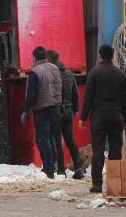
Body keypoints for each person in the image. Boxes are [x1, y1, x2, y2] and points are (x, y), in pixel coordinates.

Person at [79, 43, 126, 193]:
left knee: (98, 150)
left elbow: (88, 97)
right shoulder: (120, 74)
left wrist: (83, 117)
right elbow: (125, 100)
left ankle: (97, 184)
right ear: (112, 56)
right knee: (115, 150)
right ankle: (114, 184)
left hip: (99, 118)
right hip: (116, 117)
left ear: (100, 55)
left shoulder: (94, 73)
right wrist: (125, 119)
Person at [21, 45, 62, 178]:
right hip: (56, 108)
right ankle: (54, 163)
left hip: (42, 110)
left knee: (42, 139)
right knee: (51, 137)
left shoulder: (35, 72)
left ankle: (48, 169)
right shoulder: (55, 68)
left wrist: (26, 110)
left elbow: (31, 95)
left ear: (34, 57)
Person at [46, 49, 85, 180]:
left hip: (56, 111)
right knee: (70, 140)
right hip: (68, 111)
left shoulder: (51, 74)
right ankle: (79, 168)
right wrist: (74, 110)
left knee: (57, 141)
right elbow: (76, 93)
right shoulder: (68, 73)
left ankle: (61, 170)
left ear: (49, 59)